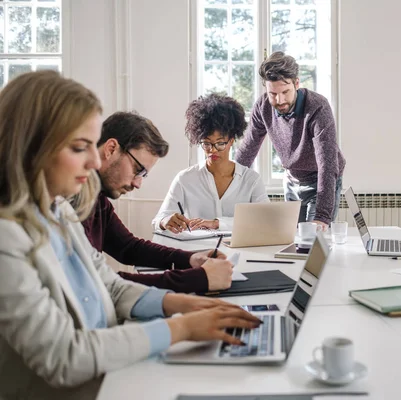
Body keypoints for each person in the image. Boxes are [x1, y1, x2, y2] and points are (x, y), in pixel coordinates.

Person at [0, 71, 260, 399]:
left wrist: (181, 303)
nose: (96, 160)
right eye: (81, 147)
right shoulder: (7, 238)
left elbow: (109, 285)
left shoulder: (60, 211)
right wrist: (180, 327)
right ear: (32, 145)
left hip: (109, 366)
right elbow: (64, 357)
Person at [80, 111, 232, 293]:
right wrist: (197, 278)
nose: (137, 183)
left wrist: (191, 259)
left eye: (143, 175)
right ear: (111, 149)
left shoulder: (97, 198)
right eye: (138, 169)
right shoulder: (72, 203)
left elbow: (128, 247)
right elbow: (95, 284)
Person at [235, 51, 345, 230]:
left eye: (285, 92)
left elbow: (327, 164)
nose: (280, 100)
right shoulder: (263, 106)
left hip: (320, 181)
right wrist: (229, 181)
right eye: (273, 94)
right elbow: (248, 149)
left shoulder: (317, 107)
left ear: (297, 83)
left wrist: (323, 217)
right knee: (290, 238)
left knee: (314, 238)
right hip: (292, 180)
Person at [153, 93, 268, 234]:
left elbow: (264, 220)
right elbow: (160, 218)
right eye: (206, 143)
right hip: (196, 252)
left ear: (231, 140)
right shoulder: (185, 179)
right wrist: (165, 221)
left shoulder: (251, 180)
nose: (212, 150)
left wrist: (216, 224)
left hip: (238, 251)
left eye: (220, 143)